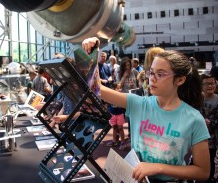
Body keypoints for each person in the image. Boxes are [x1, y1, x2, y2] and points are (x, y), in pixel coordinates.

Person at [82, 37, 210, 182]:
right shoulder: (138, 103)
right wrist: (91, 54)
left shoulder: (193, 118)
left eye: (160, 74)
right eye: (151, 72)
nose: (152, 79)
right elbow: (95, 88)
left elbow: (203, 171)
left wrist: (158, 167)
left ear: (180, 80)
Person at [200, 73, 218, 183]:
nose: (210, 86)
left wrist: (211, 123)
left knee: (211, 159)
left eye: (212, 83)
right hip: (198, 137)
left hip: (212, 138)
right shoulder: (197, 99)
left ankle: (209, 178)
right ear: (201, 86)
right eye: (206, 84)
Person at [106, 82, 126, 149]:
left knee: (120, 128)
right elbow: (108, 105)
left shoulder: (122, 96)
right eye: (118, 88)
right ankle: (114, 140)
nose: (119, 89)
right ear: (114, 89)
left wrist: (123, 113)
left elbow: (124, 106)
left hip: (120, 114)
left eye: (120, 88)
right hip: (113, 114)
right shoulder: (111, 96)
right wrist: (109, 111)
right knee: (114, 128)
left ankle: (123, 142)